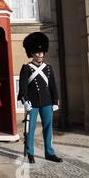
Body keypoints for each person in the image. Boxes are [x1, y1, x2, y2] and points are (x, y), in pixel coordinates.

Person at [18, 32, 63, 164]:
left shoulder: (48, 68)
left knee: (48, 128)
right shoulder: (26, 68)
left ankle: (49, 153)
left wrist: (55, 101)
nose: (39, 55)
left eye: (41, 52)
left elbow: (53, 86)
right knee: (30, 129)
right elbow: (23, 87)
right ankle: (31, 153)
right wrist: (25, 101)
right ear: (31, 53)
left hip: (47, 102)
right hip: (32, 103)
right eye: (37, 52)